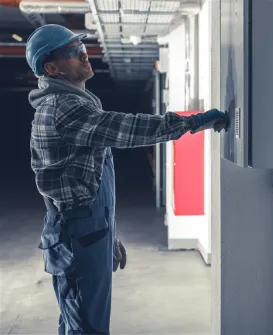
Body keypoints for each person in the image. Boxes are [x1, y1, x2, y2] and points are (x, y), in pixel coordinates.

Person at [25, 24, 227, 335]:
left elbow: (79, 183)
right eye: (71, 51)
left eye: (81, 46)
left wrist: (108, 233)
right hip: (78, 234)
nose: (83, 53)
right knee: (85, 326)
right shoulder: (63, 108)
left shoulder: (74, 102)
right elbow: (126, 129)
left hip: (87, 231)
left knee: (80, 319)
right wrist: (192, 123)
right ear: (52, 68)